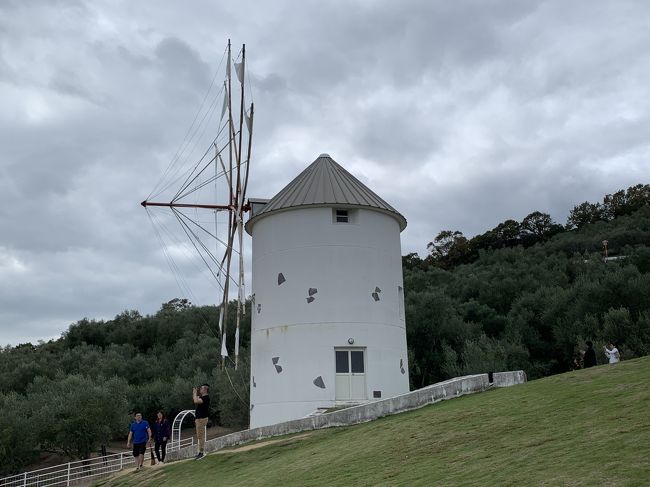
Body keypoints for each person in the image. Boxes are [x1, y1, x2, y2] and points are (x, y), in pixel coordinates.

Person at [192, 384, 210, 460]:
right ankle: (200, 452)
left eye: (201, 389)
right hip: (200, 419)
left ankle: (201, 452)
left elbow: (195, 400)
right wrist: (194, 393)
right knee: (200, 436)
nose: (200, 390)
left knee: (201, 436)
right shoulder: (203, 397)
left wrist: (194, 393)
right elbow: (195, 399)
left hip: (201, 419)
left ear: (205, 389)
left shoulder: (206, 398)